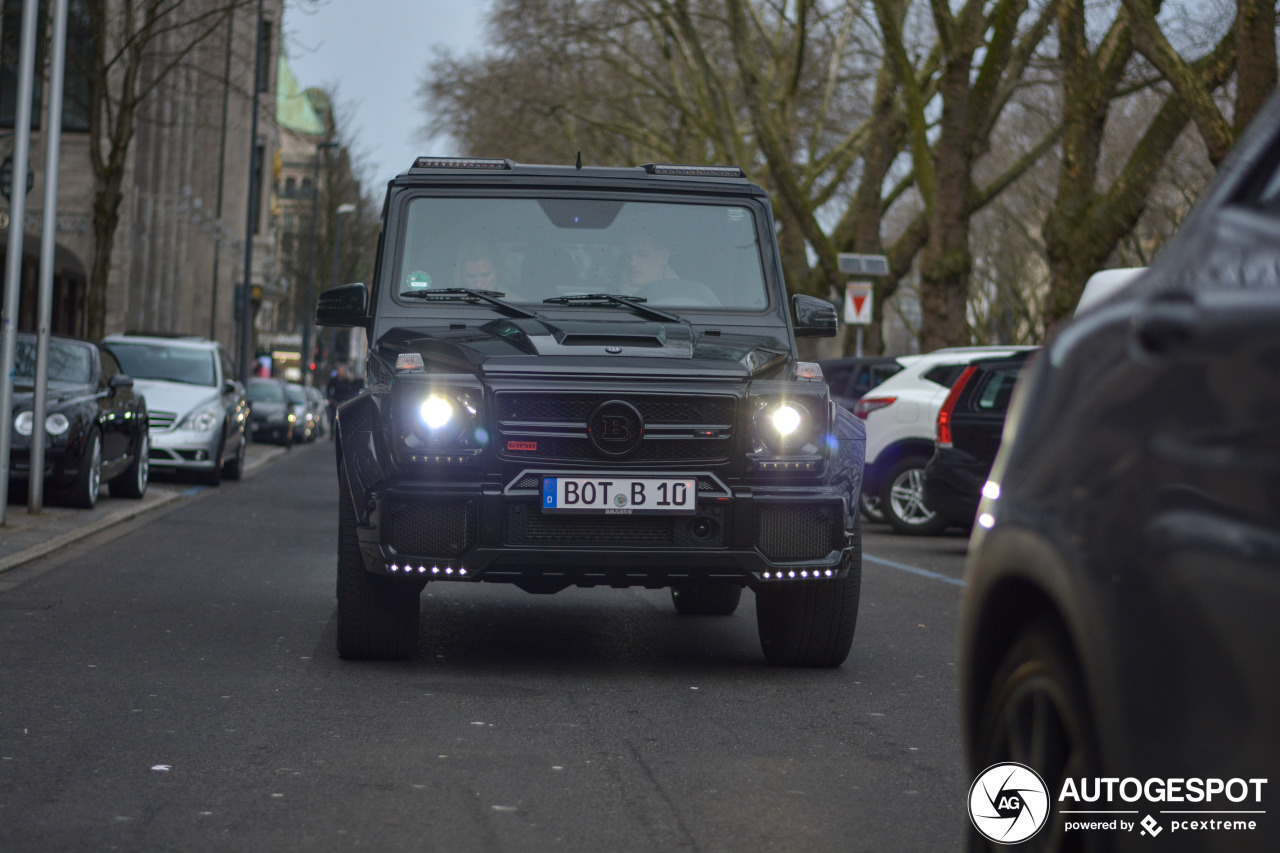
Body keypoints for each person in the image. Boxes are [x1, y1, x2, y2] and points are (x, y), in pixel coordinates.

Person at [325, 364, 361, 440]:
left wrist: (348, 398)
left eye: (341, 371)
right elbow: (329, 389)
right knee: (333, 417)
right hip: (335, 401)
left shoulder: (347, 381)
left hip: (344, 401)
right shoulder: (334, 380)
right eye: (339, 370)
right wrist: (330, 398)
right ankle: (332, 433)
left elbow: (350, 390)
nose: (340, 372)